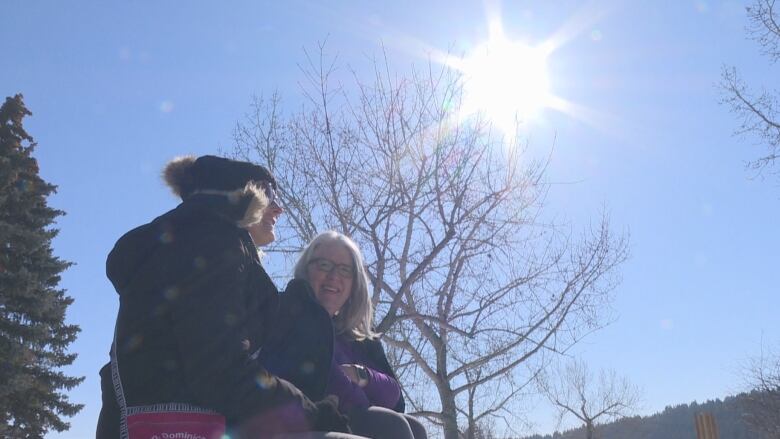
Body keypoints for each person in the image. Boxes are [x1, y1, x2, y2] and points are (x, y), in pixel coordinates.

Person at [96, 155, 362, 438]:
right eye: (268, 193)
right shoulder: (212, 247)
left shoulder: (189, 247)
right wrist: (309, 413)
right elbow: (220, 370)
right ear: (237, 198)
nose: (279, 208)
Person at [293, 231, 428, 439]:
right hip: (307, 419)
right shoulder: (292, 320)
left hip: (351, 419)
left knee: (415, 428)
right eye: (324, 265)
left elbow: (395, 397)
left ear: (354, 285)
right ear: (306, 271)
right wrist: (363, 397)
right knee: (392, 426)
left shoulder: (362, 341)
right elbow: (329, 384)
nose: (334, 276)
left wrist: (360, 375)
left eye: (345, 270)